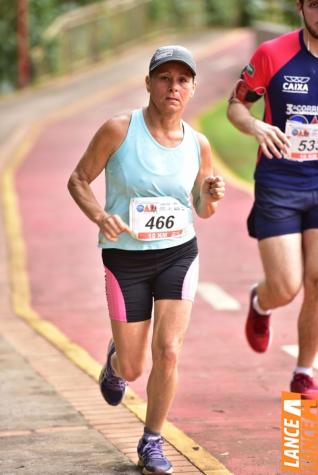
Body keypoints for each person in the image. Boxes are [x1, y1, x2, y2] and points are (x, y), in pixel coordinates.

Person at [68, 44, 225, 474]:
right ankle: (116, 361)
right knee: (134, 367)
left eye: (182, 80)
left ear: (192, 88)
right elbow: (78, 179)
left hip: (178, 254)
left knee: (169, 351)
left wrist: (210, 196)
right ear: (149, 83)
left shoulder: (199, 144)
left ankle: (151, 441)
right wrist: (101, 215)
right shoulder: (119, 130)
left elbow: (201, 209)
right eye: (164, 78)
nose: (173, 87)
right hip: (126, 259)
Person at [227, 0, 318, 399]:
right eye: (315, 4)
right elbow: (236, 106)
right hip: (280, 183)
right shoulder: (273, 54)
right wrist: (255, 126)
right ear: (301, 8)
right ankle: (261, 303)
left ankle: (304, 371)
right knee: (286, 287)